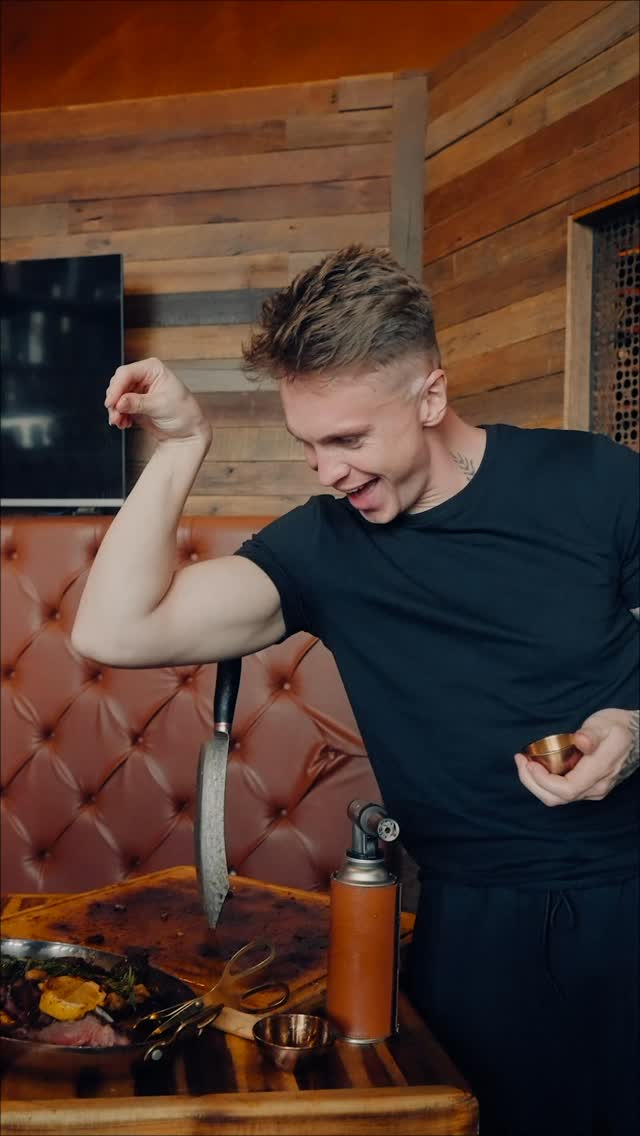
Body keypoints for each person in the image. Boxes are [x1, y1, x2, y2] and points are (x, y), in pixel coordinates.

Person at [72, 246, 639, 1136]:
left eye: (347, 440)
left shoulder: (598, 480)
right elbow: (113, 632)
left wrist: (632, 728)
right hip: (467, 923)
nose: (326, 471)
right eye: (307, 444)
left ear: (431, 397)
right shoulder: (324, 546)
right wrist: (182, 445)